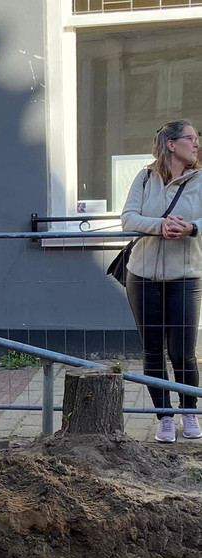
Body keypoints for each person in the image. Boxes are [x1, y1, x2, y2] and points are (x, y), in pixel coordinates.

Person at [122, 119, 202, 443]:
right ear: (172, 144)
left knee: (183, 352)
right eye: (191, 138)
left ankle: (189, 411)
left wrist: (190, 228)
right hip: (142, 276)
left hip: (185, 275)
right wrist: (161, 225)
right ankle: (164, 417)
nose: (196, 144)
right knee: (152, 352)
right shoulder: (144, 177)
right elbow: (127, 217)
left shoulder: (200, 180)